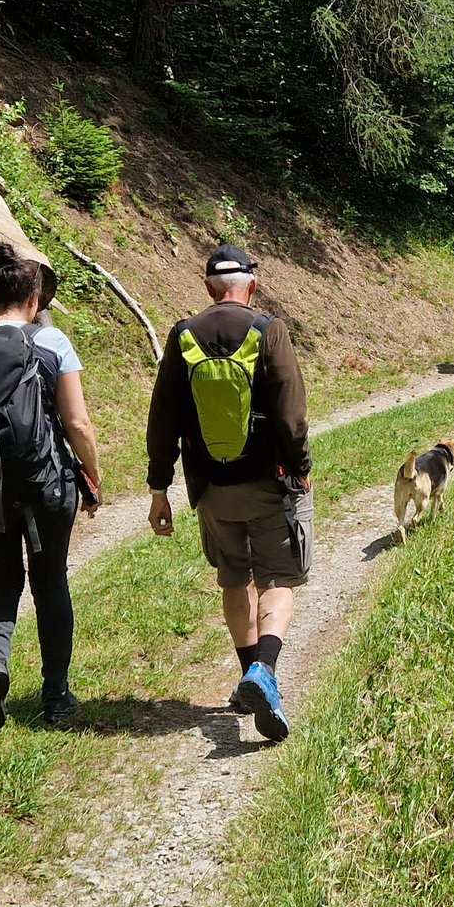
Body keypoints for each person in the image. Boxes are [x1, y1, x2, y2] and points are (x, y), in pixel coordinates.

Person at [144, 245, 311, 742]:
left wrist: (159, 487)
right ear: (251, 286)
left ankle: (246, 678)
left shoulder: (183, 334)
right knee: (279, 577)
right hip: (269, 481)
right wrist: (300, 468)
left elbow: (163, 418)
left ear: (208, 289)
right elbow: (290, 413)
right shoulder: (268, 330)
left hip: (211, 486)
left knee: (234, 579)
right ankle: (264, 670)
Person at [0, 243, 104, 735]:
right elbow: (76, 421)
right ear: (34, 300)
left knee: (0, 579)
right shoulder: (52, 343)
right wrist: (93, 474)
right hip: (44, 483)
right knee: (50, 579)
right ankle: (56, 695)